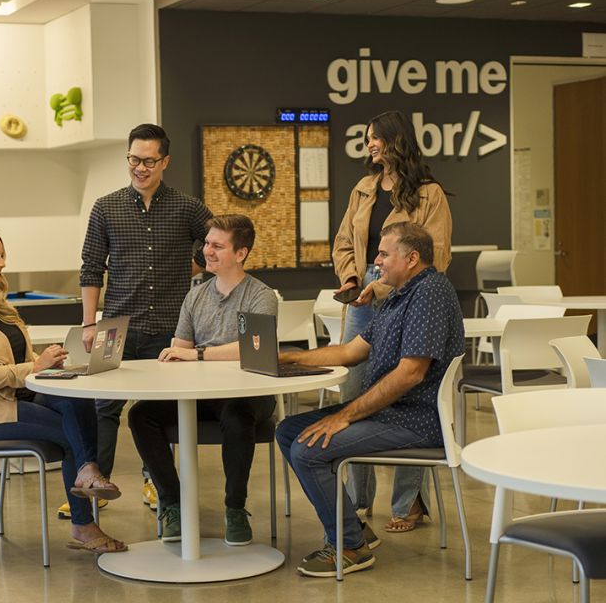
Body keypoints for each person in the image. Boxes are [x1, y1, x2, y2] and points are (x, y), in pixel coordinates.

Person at [276, 222, 464, 576]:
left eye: (383, 253)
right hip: (391, 414)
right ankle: (354, 528)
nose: (375, 261)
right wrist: (287, 357)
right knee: (288, 431)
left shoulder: (431, 293)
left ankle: (350, 548)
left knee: (307, 449)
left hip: (417, 420)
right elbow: (350, 351)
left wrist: (345, 415)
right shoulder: (399, 295)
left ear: (411, 258)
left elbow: (411, 373)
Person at [0, 227, 127, 553]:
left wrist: (51, 366)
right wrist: (36, 369)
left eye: (2, 255)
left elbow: (22, 358)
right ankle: (84, 520)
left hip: (21, 396)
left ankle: (88, 474)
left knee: (76, 398)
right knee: (72, 434)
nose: (2, 264)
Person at [78, 123, 213, 515]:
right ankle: (95, 489)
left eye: (148, 161)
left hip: (171, 329)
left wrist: (183, 269)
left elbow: (217, 243)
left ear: (164, 161)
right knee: (103, 410)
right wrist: (89, 323)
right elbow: (90, 268)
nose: (140, 167)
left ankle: (156, 485)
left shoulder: (187, 207)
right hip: (113, 327)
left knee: (161, 412)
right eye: (133, 159)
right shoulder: (106, 207)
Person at [332, 110, 453, 533]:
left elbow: (435, 254)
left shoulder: (428, 193)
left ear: (394, 140)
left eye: (374, 138)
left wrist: (383, 285)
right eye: (367, 139)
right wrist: (351, 276)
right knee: (354, 387)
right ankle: (356, 500)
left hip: (408, 292)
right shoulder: (363, 188)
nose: (369, 145)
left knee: (407, 389)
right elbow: (345, 240)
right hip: (362, 292)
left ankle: (407, 503)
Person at [127, 214, 276, 546]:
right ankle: (173, 505)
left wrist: (198, 354)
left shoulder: (259, 295)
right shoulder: (195, 295)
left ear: (241, 253)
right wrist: (177, 354)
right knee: (141, 415)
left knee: (237, 416)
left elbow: (254, 349)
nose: (207, 251)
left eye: (217, 246)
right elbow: (181, 349)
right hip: (201, 396)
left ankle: (235, 508)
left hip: (248, 396)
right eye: (207, 243)